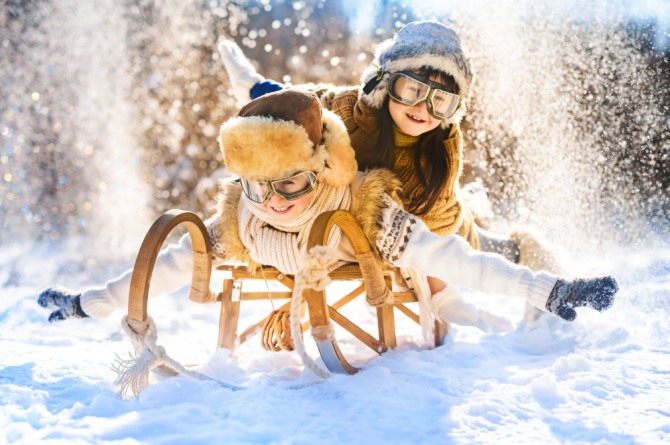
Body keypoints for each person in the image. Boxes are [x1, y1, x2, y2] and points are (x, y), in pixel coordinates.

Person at [38, 89, 618, 336]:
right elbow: (164, 267)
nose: (277, 200)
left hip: (376, 255)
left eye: (290, 180)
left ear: (318, 167)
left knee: (441, 280)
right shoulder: (243, 214)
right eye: (259, 185)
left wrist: (549, 291)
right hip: (287, 271)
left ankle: (522, 301)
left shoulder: (362, 208)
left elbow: (452, 256)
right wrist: (87, 305)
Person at [217, 21, 562, 277]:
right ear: (385, 83)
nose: (423, 108)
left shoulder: (440, 153)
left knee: (484, 245)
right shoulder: (349, 110)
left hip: (435, 226)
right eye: (411, 90)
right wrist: (251, 84)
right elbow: (297, 107)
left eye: (440, 100)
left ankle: (527, 252)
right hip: (352, 216)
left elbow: (434, 236)